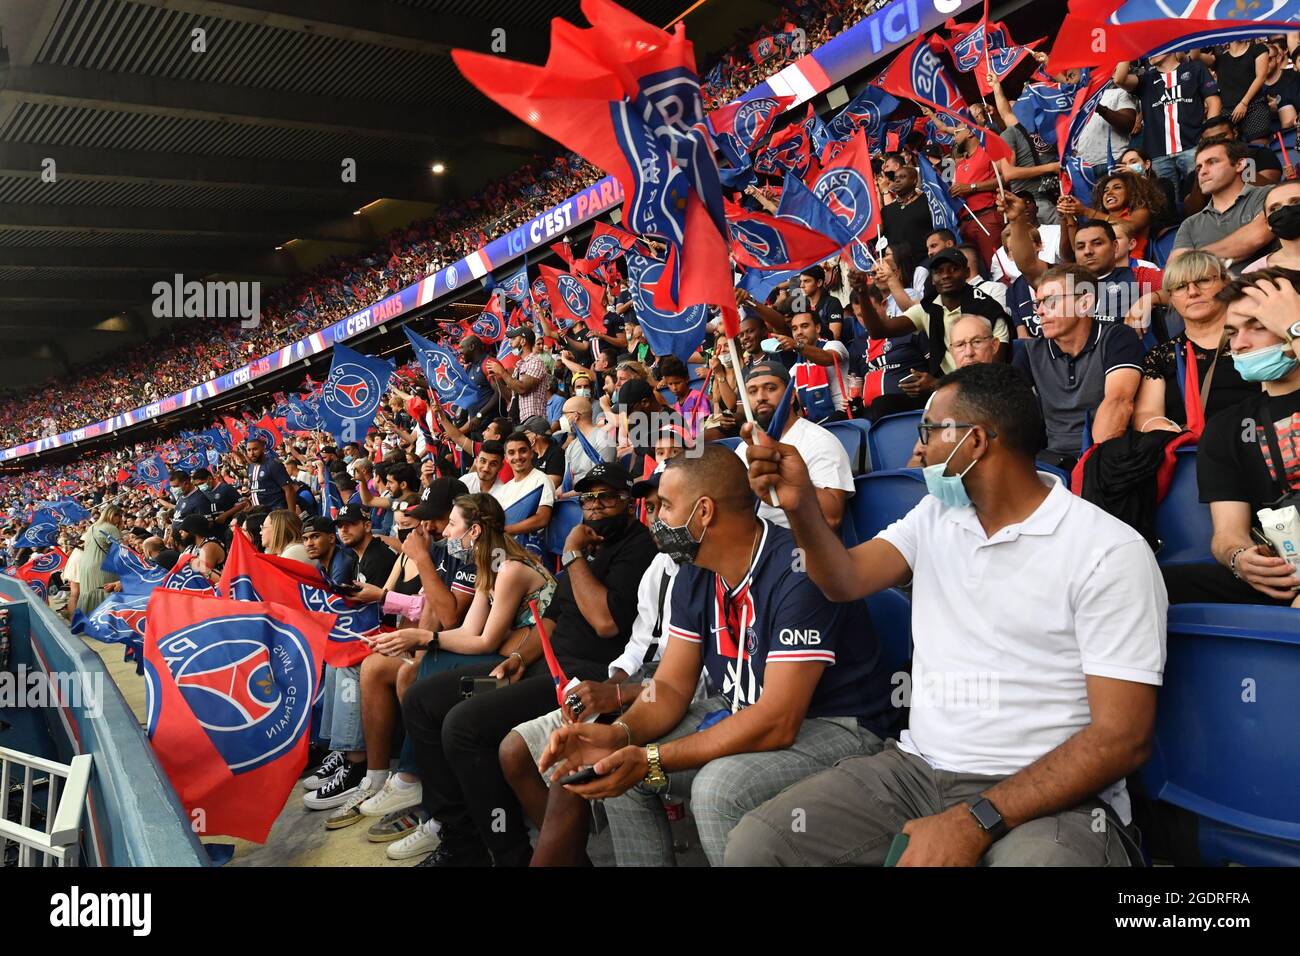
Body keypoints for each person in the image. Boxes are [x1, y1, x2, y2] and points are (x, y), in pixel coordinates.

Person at [727, 361, 1167, 867]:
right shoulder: (936, 515)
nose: (917, 449)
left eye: (929, 432)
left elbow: (1122, 740)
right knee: (760, 845)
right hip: (918, 770)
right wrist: (800, 504)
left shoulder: (1107, 551)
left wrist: (975, 818)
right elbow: (844, 579)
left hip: (1052, 795)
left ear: (976, 441)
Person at [538, 445, 894, 866]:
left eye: (666, 506)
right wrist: (621, 736)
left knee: (719, 788)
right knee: (618, 765)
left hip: (839, 726)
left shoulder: (800, 571)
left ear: (704, 511)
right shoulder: (693, 571)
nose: (657, 518)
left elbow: (778, 721)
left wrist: (650, 757)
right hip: (739, 708)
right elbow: (669, 687)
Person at [401, 462, 656, 866]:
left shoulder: (636, 548)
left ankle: (510, 853)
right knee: (424, 699)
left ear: (629, 503)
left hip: (582, 678)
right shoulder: (592, 546)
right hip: (538, 669)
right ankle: (460, 840)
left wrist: (572, 554)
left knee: (463, 726)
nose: (595, 507)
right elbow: (551, 621)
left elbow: (605, 623)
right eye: (588, 498)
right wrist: (520, 657)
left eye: (607, 498)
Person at [501, 471, 680, 867]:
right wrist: (615, 683)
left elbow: (693, 678)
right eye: (653, 508)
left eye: (665, 507)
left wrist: (618, 694)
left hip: (652, 691)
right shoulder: (659, 567)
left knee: (575, 766)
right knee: (511, 747)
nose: (657, 519)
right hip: (622, 680)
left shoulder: (645, 555)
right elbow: (637, 644)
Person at [1163, 268, 1300, 608]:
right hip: (1286, 575)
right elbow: (1227, 533)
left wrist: (1295, 326)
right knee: (1148, 583)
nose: (1239, 344)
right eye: (1232, 332)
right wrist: (1241, 558)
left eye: (1258, 326)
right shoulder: (1227, 427)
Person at [1012, 264, 1145, 470]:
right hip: (1048, 462)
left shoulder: (1117, 338)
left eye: (1051, 301)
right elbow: (1006, 405)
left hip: (1105, 457)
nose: (1039, 311)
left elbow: (1118, 401)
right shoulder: (1031, 352)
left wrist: (1091, 469)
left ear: (1084, 303)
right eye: (1037, 303)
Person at [1133, 252, 1257, 432]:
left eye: (1204, 280)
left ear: (1226, 283)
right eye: (1181, 286)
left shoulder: (1257, 338)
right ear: (1171, 298)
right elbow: (1147, 415)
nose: (1193, 292)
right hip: (1193, 452)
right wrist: (1170, 431)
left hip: (1257, 444)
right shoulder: (1160, 356)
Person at [734, 362, 853, 531]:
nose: (760, 397)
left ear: (791, 396)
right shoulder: (742, 449)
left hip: (799, 546)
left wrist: (791, 482)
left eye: (770, 388)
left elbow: (832, 517)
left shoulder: (819, 440)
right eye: (752, 392)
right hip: (752, 543)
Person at [1117, 53, 1222, 209]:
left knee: (1205, 196)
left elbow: (1214, 102)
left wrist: (1209, 140)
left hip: (1193, 146)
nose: (1148, 53)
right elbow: (1119, 79)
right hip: (1158, 153)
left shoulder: (1195, 68)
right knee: (1164, 204)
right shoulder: (1146, 79)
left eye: (1154, 48)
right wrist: (1128, 49)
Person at [1169, 139, 1272, 267]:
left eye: (1212, 162)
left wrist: (1193, 259)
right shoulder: (1190, 224)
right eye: (1199, 167)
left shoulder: (1268, 195)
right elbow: (1175, 269)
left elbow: (1256, 237)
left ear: (1239, 164)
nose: (1202, 172)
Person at [766, 311, 852, 424]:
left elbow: (827, 358)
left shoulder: (833, 345)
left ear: (817, 328)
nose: (799, 332)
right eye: (794, 329)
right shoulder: (795, 369)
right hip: (814, 424)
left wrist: (797, 346)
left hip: (844, 416)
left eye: (804, 326)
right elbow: (797, 405)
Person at [1059, 170, 1166, 260]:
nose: (1109, 193)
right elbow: (1076, 248)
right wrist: (1068, 214)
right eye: (1105, 191)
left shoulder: (1140, 211)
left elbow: (1129, 227)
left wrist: (1086, 212)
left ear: (1131, 192)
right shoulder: (1098, 220)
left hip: (1133, 270)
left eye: (1117, 187)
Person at [947, 122, 1006, 268]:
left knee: (997, 267)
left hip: (986, 218)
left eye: (956, 133)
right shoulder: (959, 165)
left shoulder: (987, 151)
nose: (954, 139)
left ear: (970, 133)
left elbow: (1006, 178)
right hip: (966, 224)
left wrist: (972, 187)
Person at [497, 431, 555, 556]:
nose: (517, 457)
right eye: (511, 453)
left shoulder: (542, 480)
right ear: (506, 458)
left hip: (531, 552)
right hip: (505, 549)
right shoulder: (504, 489)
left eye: (522, 451)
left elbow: (542, 519)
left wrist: (505, 531)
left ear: (531, 453)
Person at [1205, 40, 1272, 145]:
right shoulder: (1219, 58)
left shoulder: (1258, 48)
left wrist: (1244, 103)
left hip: (1254, 106)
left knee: (1259, 147)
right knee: (1229, 151)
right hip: (1228, 112)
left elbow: (1261, 77)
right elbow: (1195, 57)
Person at [489, 326, 550, 423]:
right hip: (518, 420)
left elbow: (522, 388)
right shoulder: (519, 366)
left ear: (523, 341)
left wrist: (502, 372)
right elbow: (511, 395)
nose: (510, 343)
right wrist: (495, 380)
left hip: (533, 420)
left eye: (513, 339)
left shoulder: (536, 362)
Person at [558, 396, 616, 491]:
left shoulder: (603, 440)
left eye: (564, 414)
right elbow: (566, 484)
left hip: (592, 498)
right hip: (571, 498)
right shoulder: (572, 446)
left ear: (575, 415)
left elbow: (601, 482)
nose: (562, 418)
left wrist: (564, 496)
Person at [75, 504, 122, 616]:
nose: (119, 520)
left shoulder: (92, 527)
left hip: (85, 565)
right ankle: (103, 623)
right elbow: (120, 550)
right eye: (119, 517)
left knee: (88, 594)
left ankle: (86, 622)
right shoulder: (111, 528)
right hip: (101, 565)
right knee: (105, 592)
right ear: (114, 515)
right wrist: (120, 529)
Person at [1242, 179, 1300, 272]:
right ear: (1268, 224)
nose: (1285, 210)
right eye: (1274, 208)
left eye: (1297, 202)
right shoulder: (1253, 273)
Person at [335, 503, 396, 587]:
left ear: (367, 526)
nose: (343, 530)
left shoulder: (378, 559)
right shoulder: (358, 554)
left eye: (350, 524)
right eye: (339, 526)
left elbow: (377, 599)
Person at [244, 436, 297, 513]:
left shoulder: (273, 464)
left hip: (277, 512)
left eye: (255, 449)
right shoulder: (250, 467)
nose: (252, 453)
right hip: (260, 514)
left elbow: (289, 489)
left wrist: (291, 514)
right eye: (249, 450)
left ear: (263, 449)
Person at [175, 514, 224, 586]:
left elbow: (204, 579)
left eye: (183, 530)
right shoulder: (193, 546)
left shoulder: (208, 546)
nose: (180, 533)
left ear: (192, 531)